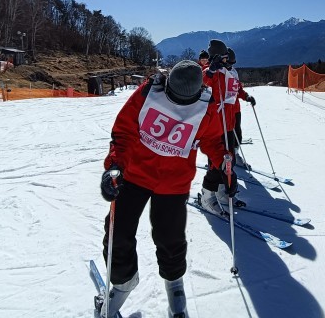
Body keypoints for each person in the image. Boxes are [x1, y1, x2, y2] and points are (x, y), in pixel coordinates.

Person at [98, 60, 229, 318]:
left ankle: (174, 287)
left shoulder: (206, 107)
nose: (178, 105)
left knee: (170, 239)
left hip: (173, 182)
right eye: (174, 98)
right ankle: (123, 282)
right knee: (117, 232)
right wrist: (114, 166)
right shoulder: (150, 92)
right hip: (135, 174)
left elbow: (213, 141)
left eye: (184, 102)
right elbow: (124, 131)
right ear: (167, 84)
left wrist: (225, 166)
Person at [199, 40, 244, 208]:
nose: (227, 60)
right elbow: (201, 85)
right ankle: (207, 196)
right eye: (224, 57)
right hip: (214, 128)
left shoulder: (227, 73)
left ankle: (223, 192)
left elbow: (234, 92)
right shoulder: (209, 72)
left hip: (228, 125)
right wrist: (211, 71)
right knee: (216, 165)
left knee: (229, 162)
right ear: (216, 57)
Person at [225, 48, 256, 167]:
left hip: (235, 108)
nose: (230, 66)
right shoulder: (219, 72)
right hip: (223, 110)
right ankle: (221, 158)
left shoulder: (233, 72)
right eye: (229, 63)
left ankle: (236, 154)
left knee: (237, 132)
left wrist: (246, 96)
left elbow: (238, 89)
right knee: (225, 135)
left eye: (232, 63)